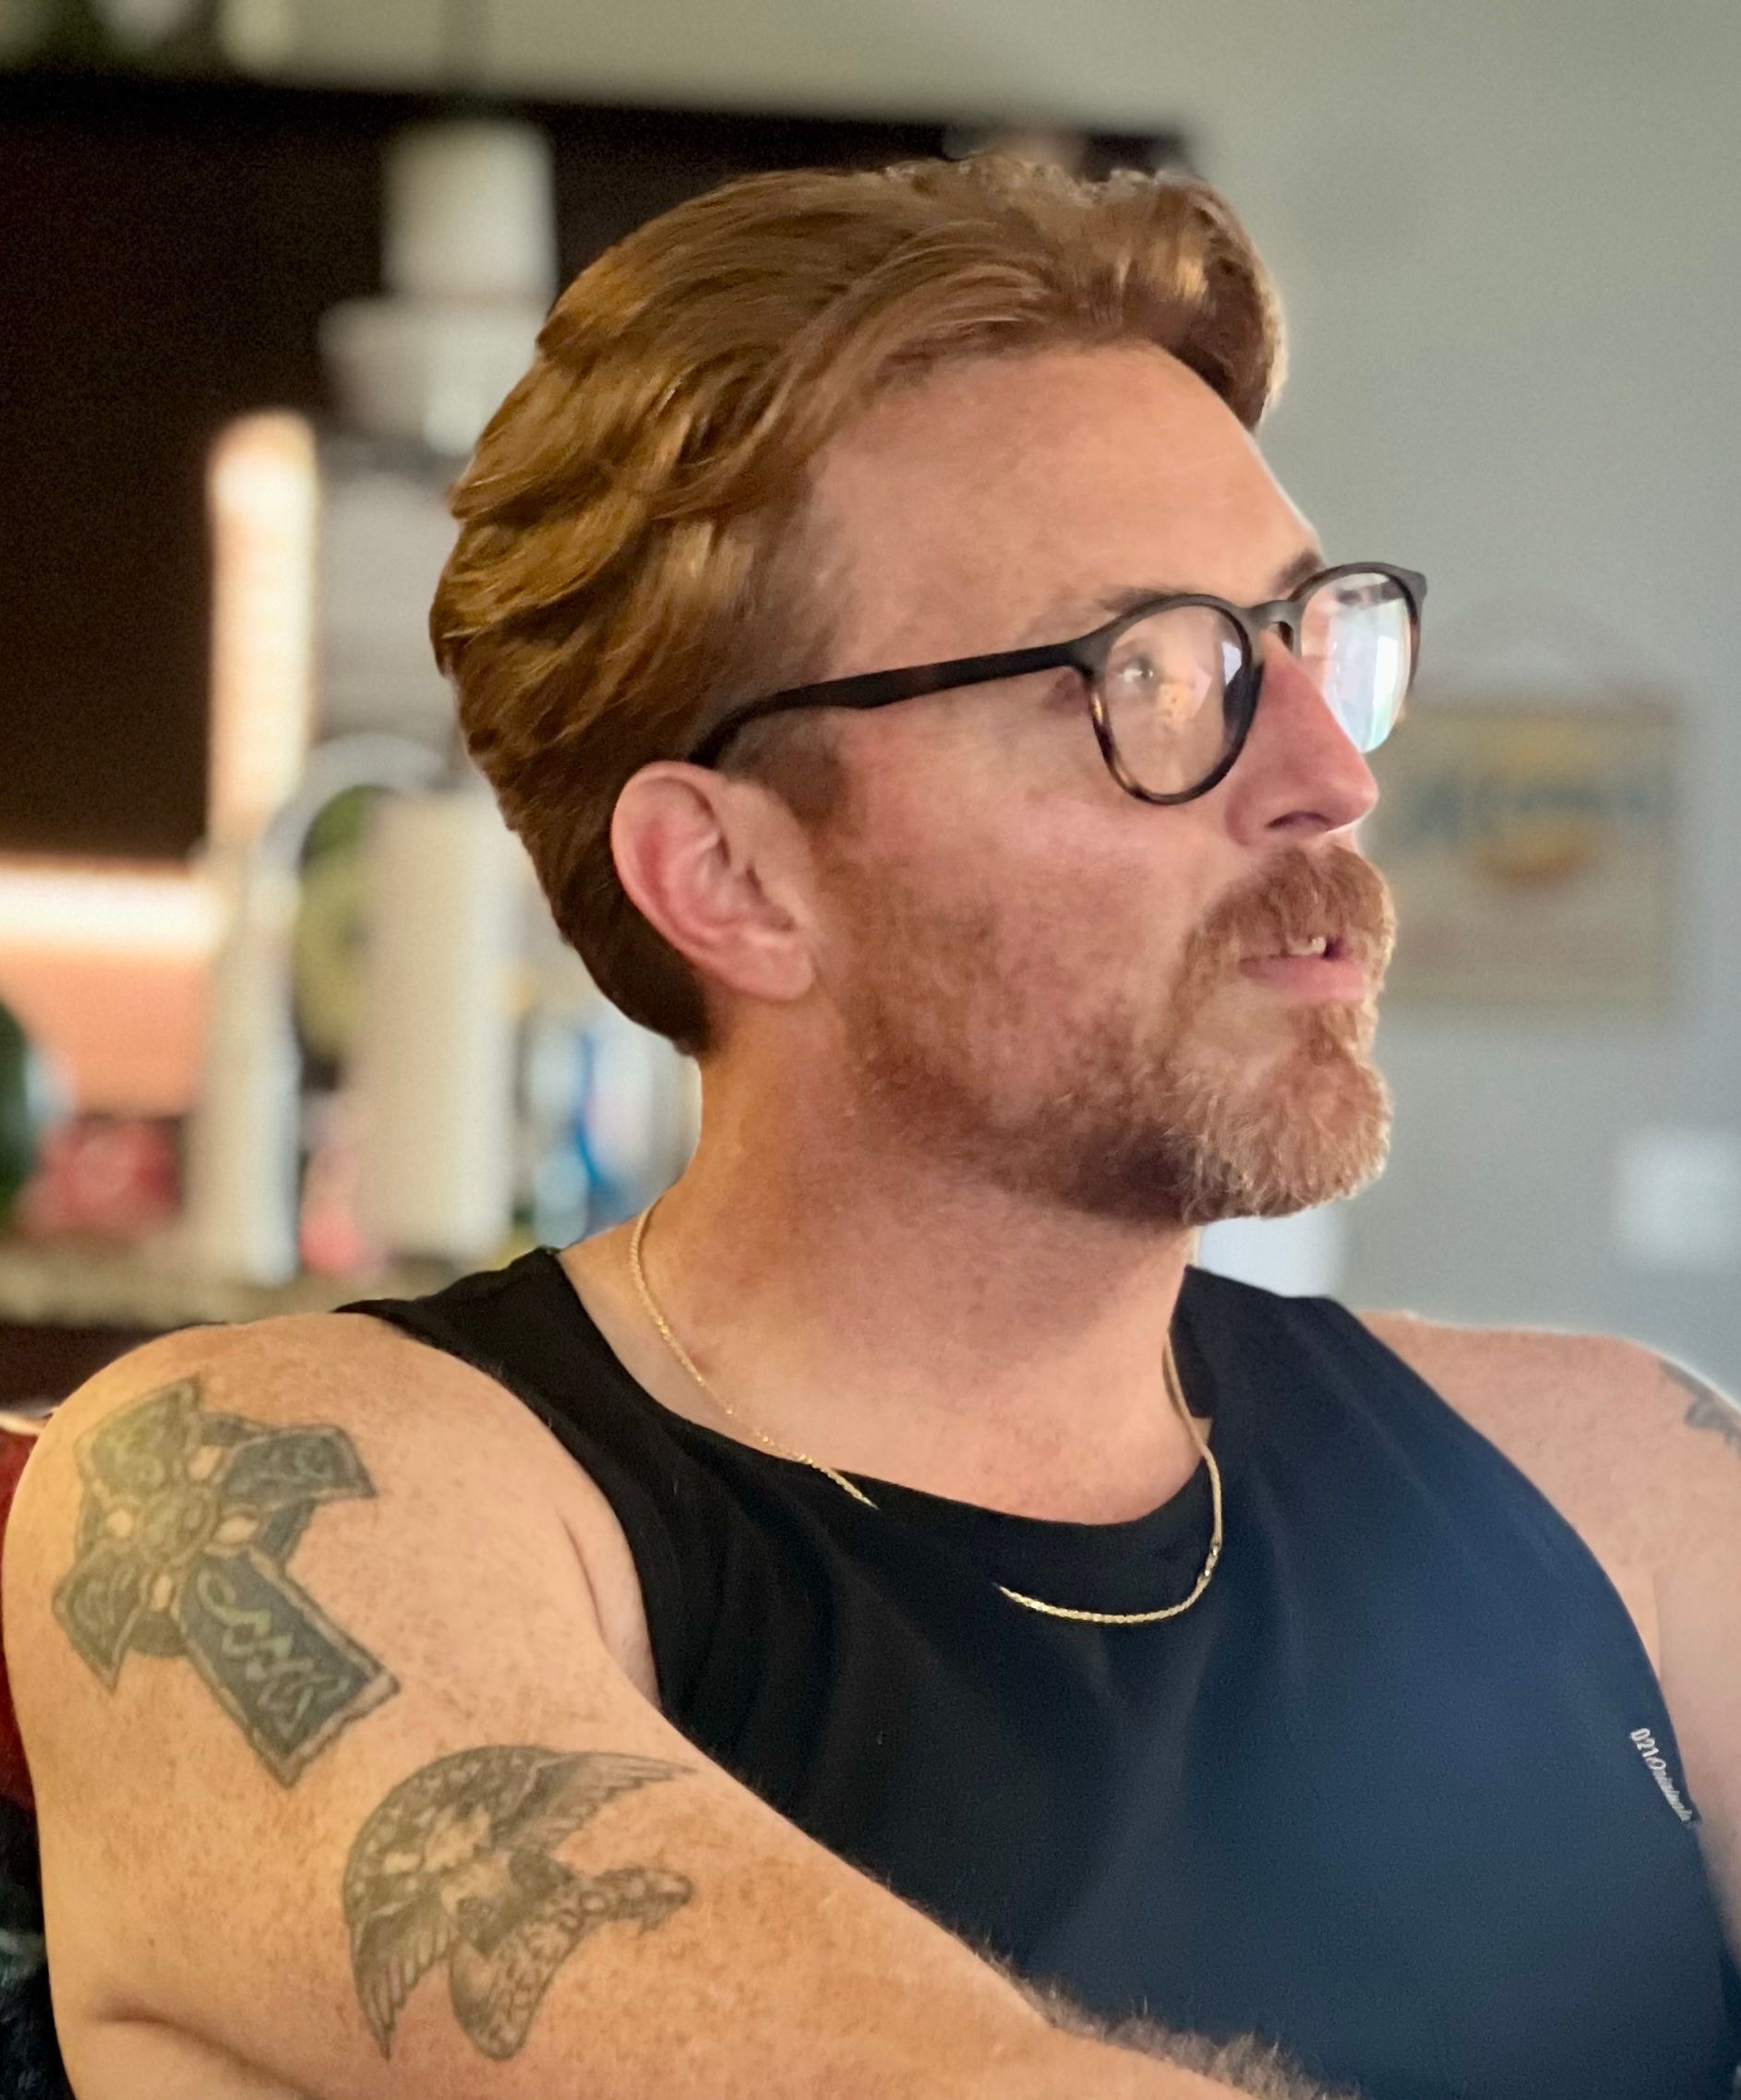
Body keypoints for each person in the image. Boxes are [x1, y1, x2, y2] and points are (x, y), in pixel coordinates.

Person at [4, 154, 1738, 2100]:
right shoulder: (278, 1501)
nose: (1327, 775)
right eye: (1152, 676)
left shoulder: (1628, 1491)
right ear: (733, 879)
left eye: (1306, 640)